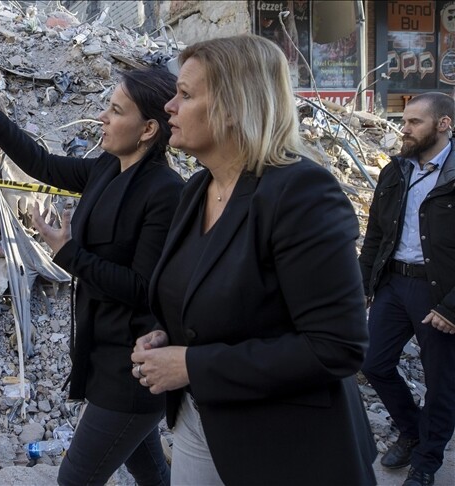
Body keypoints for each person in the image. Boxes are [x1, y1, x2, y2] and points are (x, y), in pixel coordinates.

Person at [130, 34, 377, 485]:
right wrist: (165, 335)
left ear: (232, 108)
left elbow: (337, 346)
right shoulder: (196, 190)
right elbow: (202, 295)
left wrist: (192, 364)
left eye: (185, 94)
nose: (169, 106)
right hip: (199, 423)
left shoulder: (301, 194)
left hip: (283, 445)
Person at [0, 64, 183, 485]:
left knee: (75, 478)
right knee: (150, 472)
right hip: (102, 355)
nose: (102, 117)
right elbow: (44, 164)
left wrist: (69, 253)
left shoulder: (165, 191)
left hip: (133, 367)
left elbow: (143, 289)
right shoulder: (108, 167)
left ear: (148, 129)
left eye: (116, 110)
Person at [359, 92, 455, 486]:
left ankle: (426, 464)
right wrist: (363, 284)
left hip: (439, 292)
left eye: (415, 122)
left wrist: (451, 307)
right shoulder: (396, 170)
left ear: (444, 124)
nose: (405, 129)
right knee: (373, 363)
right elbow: (376, 233)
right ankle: (412, 430)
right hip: (394, 284)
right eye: (404, 121)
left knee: (441, 384)